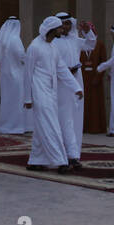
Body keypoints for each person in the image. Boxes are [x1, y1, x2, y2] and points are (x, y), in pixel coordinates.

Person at [23, 16, 80, 172]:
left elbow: (62, 69)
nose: (62, 30)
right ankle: (60, 162)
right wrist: (27, 98)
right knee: (51, 126)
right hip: (39, 93)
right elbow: (27, 74)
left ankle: (35, 160)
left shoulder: (52, 47)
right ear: (53, 30)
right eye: (60, 28)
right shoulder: (34, 47)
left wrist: (76, 87)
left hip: (51, 92)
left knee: (43, 126)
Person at [0, 17, 32, 134]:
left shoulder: (4, 40)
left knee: (8, 101)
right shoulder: (15, 39)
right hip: (17, 76)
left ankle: (6, 125)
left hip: (6, 76)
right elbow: (21, 57)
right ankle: (16, 127)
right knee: (17, 102)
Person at [52, 13, 83, 169]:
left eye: (68, 24)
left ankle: (72, 154)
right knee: (60, 121)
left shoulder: (73, 40)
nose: (65, 27)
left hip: (73, 84)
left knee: (70, 120)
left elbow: (90, 44)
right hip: (58, 86)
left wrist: (89, 32)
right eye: (63, 25)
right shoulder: (50, 44)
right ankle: (64, 155)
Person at [78, 20, 107, 133]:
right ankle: (83, 127)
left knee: (95, 104)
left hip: (95, 78)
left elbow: (103, 61)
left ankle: (96, 127)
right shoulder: (80, 43)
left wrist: (98, 77)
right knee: (83, 104)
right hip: (82, 77)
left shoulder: (99, 44)